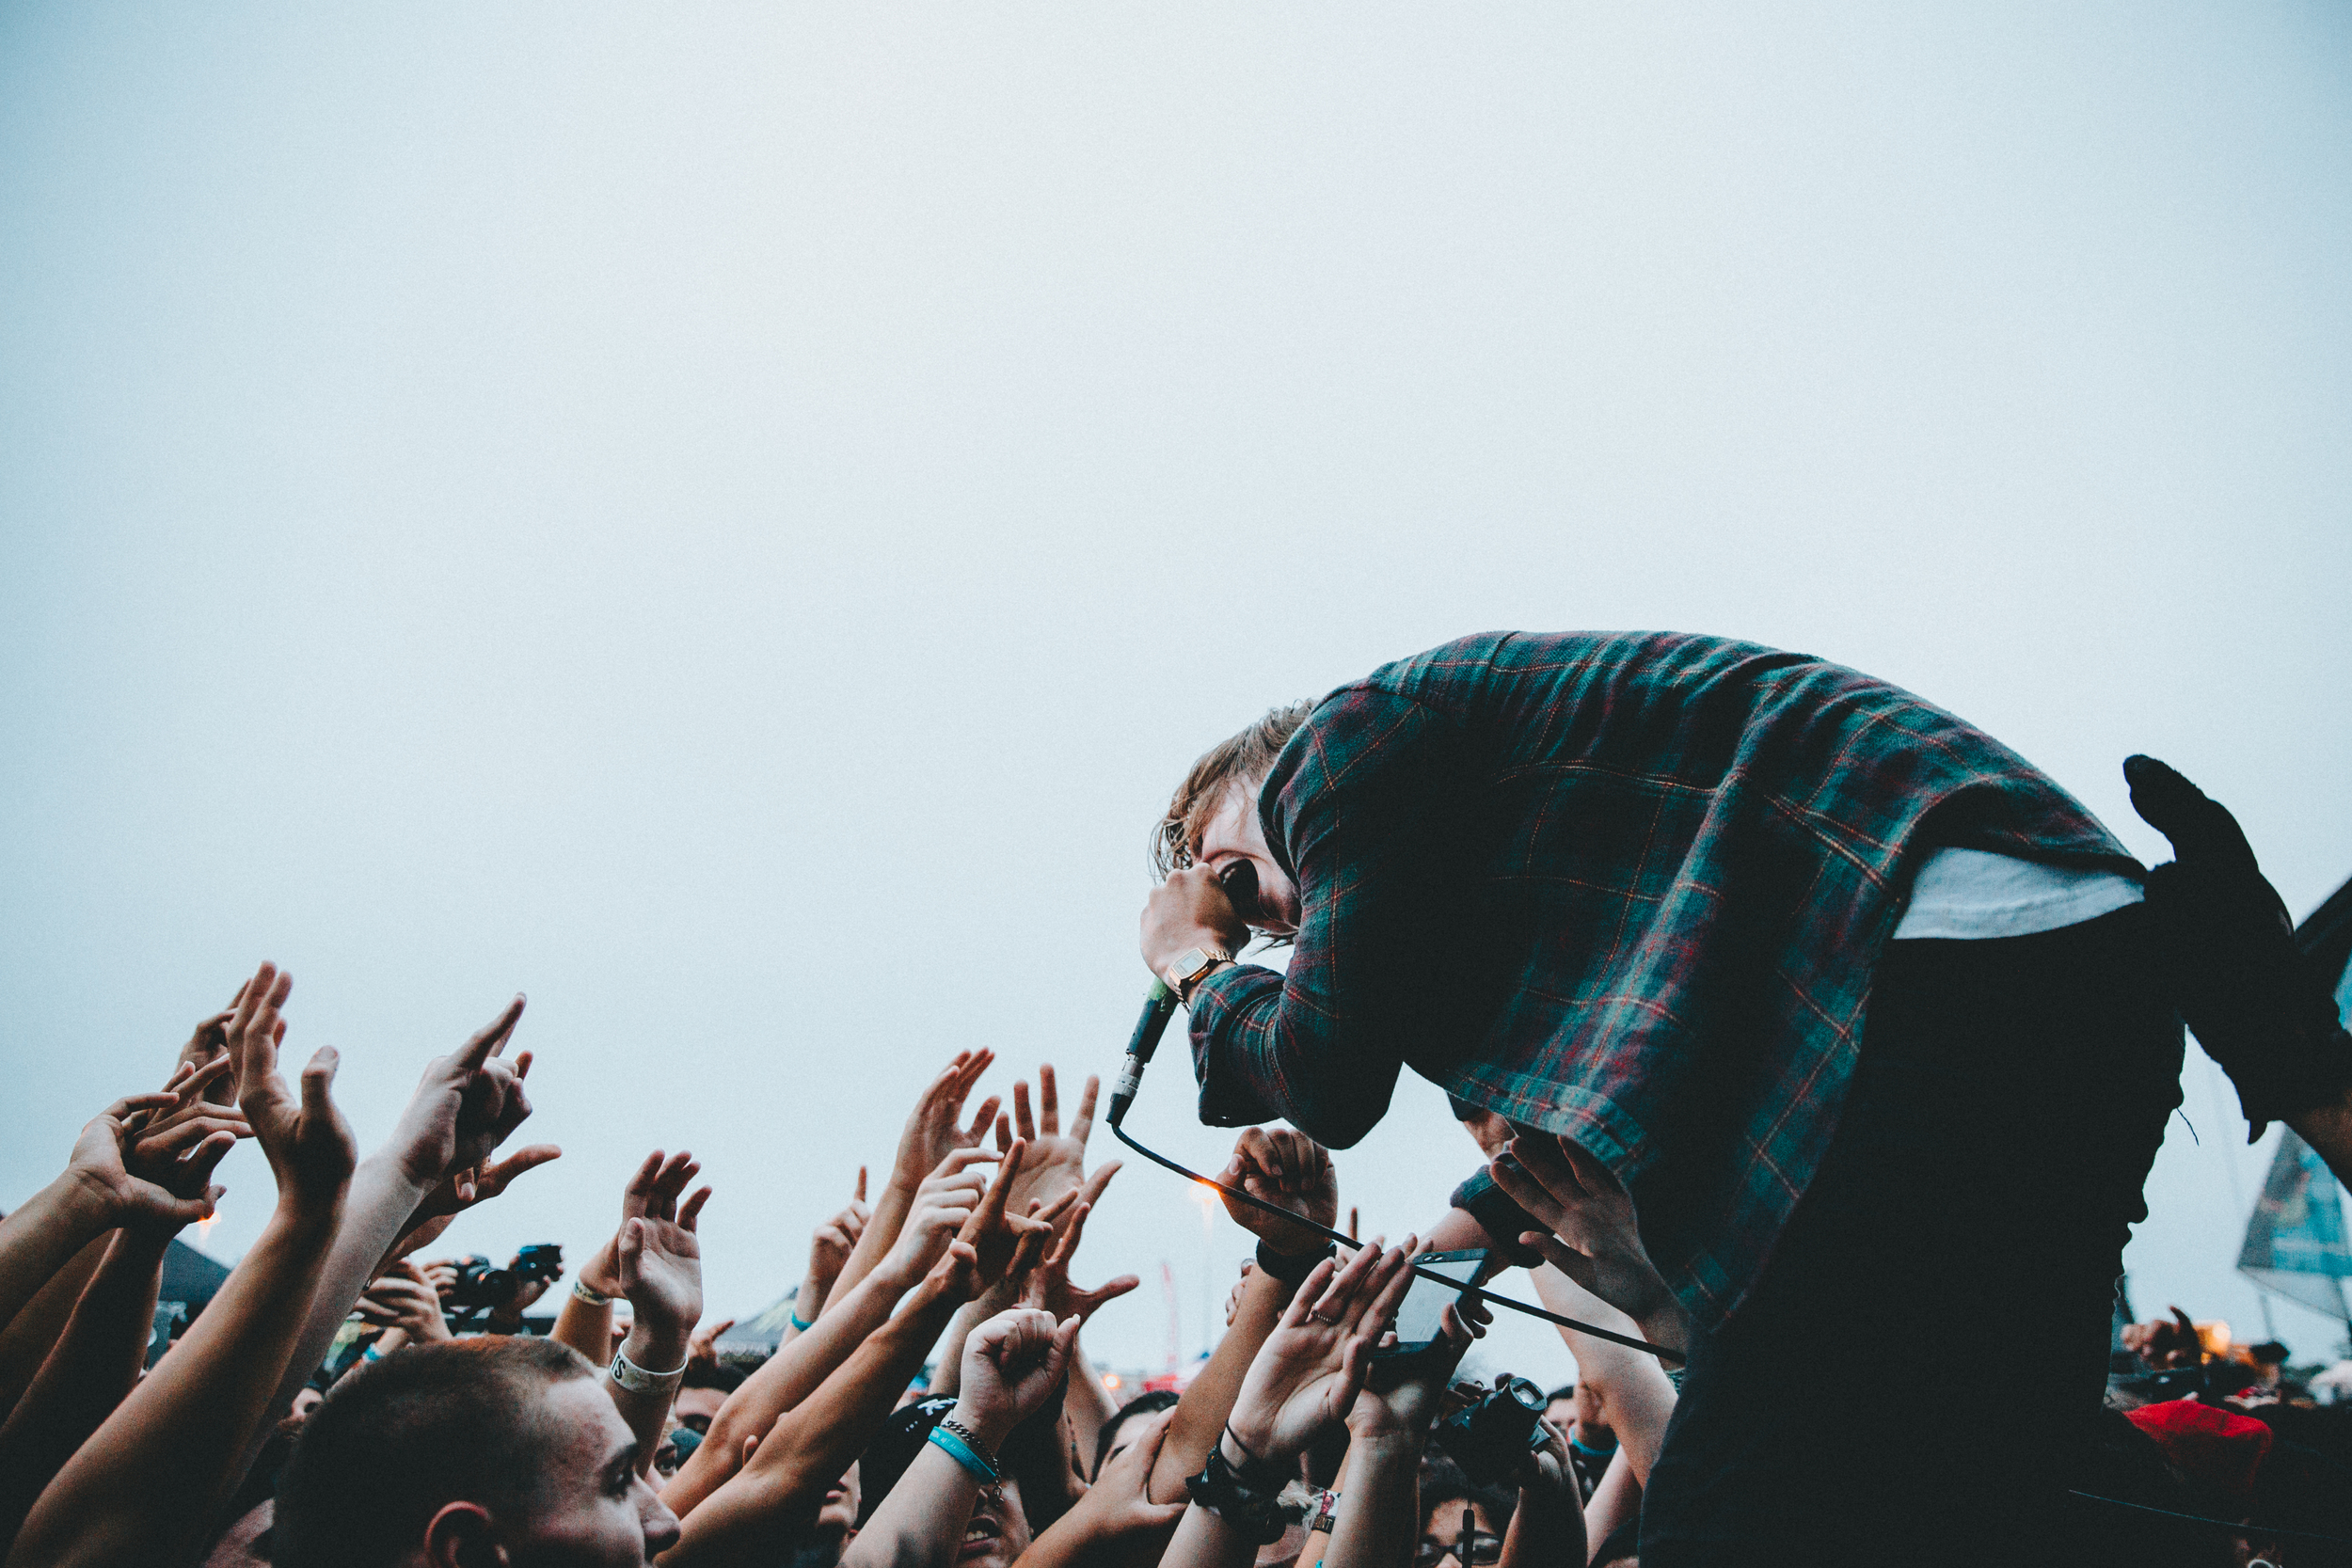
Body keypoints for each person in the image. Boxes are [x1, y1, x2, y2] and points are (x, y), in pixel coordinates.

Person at [1137, 630, 2352, 1564]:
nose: (1251, 920)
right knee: (1986, 1486)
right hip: (2040, 991)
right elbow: (1521, 1179)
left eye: (1229, 872)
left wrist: (1194, 971)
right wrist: (1403, 1297)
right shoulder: (1520, 891)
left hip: (1929, 960)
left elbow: (1327, 1076)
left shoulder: (1341, 746)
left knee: (1742, 1509)